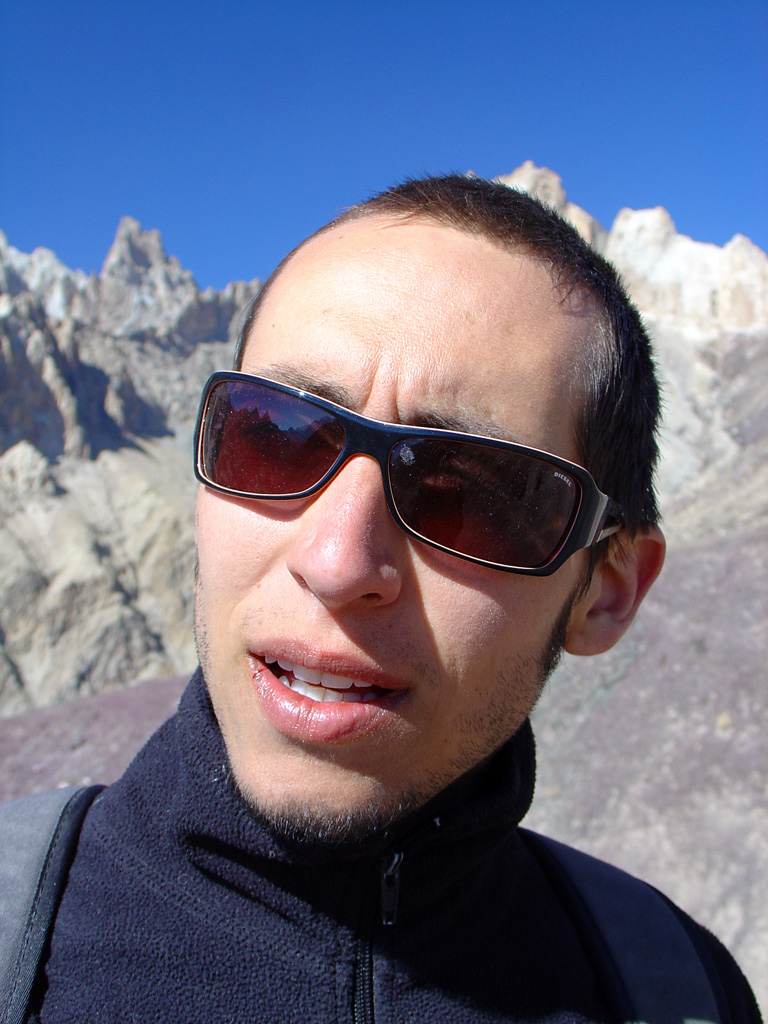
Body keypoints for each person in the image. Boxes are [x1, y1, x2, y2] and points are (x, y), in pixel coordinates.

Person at [29, 176, 761, 1021]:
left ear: (605, 590)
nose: (337, 562)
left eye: (470, 492)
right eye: (274, 438)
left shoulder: (685, 992)